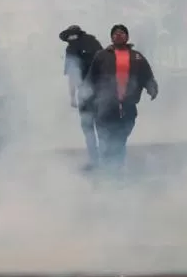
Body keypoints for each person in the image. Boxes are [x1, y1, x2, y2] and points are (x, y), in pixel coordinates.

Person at [82, 24, 158, 172]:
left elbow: (147, 76)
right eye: (115, 33)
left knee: (120, 138)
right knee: (106, 138)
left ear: (127, 37)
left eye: (122, 33)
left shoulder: (136, 57)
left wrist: (152, 88)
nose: (118, 35)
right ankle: (108, 171)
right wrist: (86, 98)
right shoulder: (102, 56)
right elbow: (91, 79)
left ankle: (117, 167)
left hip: (128, 106)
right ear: (111, 37)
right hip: (105, 105)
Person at [60, 24, 103, 169]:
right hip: (100, 91)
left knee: (89, 126)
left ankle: (96, 159)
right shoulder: (94, 43)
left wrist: (72, 96)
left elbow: (72, 75)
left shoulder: (71, 48)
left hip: (89, 92)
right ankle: (106, 158)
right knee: (99, 125)